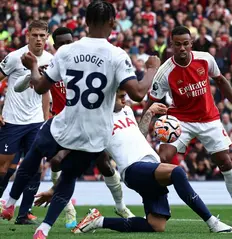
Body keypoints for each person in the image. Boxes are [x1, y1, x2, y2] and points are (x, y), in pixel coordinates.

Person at [0, 1, 160, 238]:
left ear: (85, 22)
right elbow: (137, 93)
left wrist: (34, 67)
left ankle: (10, 201)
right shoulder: (117, 54)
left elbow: (41, 87)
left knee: (35, 152)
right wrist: (151, 69)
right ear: (112, 23)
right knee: (69, 176)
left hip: (66, 124)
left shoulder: (66, 51)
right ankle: (43, 229)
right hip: (95, 133)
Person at [35, 89, 232, 234]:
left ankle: (99, 221)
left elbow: (137, 135)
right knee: (177, 172)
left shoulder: (128, 111)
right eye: (121, 97)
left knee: (156, 226)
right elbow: (79, 156)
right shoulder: (98, 121)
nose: (126, 100)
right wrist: (55, 189)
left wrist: (148, 114)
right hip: (133, 169)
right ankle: (212, 222)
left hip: (150, 165)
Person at [144, 26, 232, 226]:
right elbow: (150, 101)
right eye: (177, 44)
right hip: (180, 121)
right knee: (163, 159)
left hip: (209, 118)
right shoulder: (164, 73)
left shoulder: (205, 59)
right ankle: (158, 209)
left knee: (225, 162)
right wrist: (144, 125)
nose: (182, 48)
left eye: (186, 43)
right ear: (172, 45)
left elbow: (221, 81)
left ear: (191, 43)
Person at [0, 20, 52, 224]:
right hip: (12, 120)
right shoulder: (15, 57)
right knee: (4, 168)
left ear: (47, 36)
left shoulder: (51, 59)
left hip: (35, 122)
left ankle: (24, 214)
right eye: (35, 35)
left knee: (35, 167)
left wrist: (46, 118)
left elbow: (46, 91)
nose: (38, 39)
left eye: (42, 35)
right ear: (27, 35)